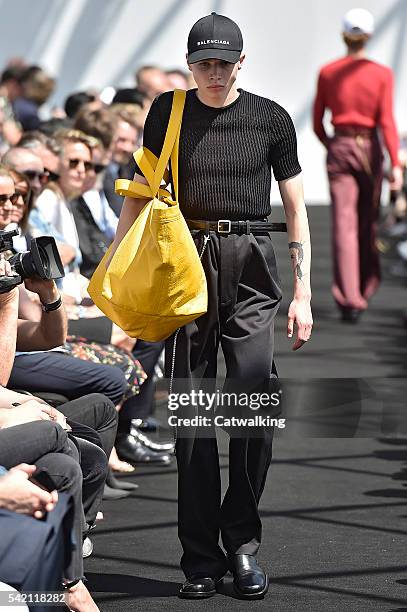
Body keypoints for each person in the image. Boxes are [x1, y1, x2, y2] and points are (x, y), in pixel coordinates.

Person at [109, 12, 313, 600]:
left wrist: (302, 292)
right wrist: (119, 273)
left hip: (250, 258)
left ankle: (241, 544)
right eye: (204, 62)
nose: (215, 73)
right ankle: (200, 557)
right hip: (185, 263)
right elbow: (141, 192)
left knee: (254, 401)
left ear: (242, 62)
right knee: (195, 418)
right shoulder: (167, 111)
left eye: (225, 62)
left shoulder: (270, 118)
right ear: (189, 63)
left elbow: (296, 208)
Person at [313, 8, 402, 322]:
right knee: (366, 221)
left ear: (343, 35)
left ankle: (349, 298)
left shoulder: (328, 71)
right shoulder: (381, 74)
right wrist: (396, 165)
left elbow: (317, 122)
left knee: (344, 224)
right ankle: (364, 287)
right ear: (370, 36)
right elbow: (387, 122)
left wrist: (333, 146)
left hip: (340, 144)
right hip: (370, 148)